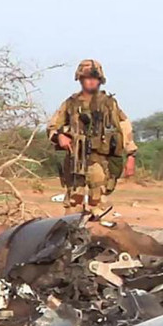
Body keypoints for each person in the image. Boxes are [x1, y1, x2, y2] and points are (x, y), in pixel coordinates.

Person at [47, 59, 137, 217]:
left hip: (100, 161)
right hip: (75, 159)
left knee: (99, 204)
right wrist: (60, 136)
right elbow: (52, 127)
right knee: (74, 204)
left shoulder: (109, 104)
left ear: (100, 80)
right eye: (87, 77)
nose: (90, 81)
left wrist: (131, 155)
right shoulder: (70, 104)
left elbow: (124, 127)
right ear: (80, 79)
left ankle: (99, 237)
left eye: (94, 78)